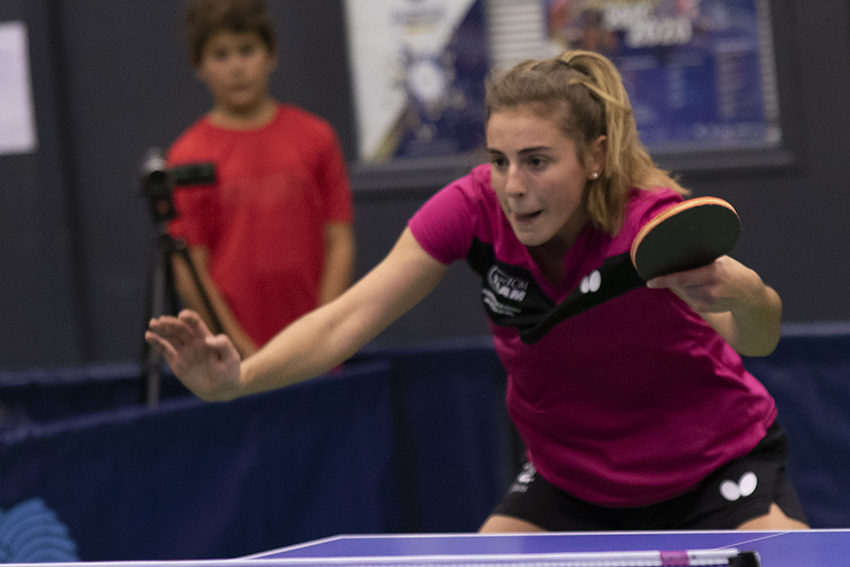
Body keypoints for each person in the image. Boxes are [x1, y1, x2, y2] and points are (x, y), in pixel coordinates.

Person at [147, 50, 809, 531]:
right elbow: (347, 318)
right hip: (569, 483)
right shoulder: (471, 211)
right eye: (499, 160)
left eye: (537, 161)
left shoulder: (650, 225)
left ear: (596, 155)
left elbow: (757, 338)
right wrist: (241, 379)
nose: (513, 185)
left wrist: (749, 294)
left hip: (713, 474)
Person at [166, 0, 355, 359]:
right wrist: (242, 351)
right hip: (235, 359)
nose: (236, 67)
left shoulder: (317, 137)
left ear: (272, 55)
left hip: (317, 351)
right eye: (220, 55)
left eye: (247, 50)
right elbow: (190, 271)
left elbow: (339, 243)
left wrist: (321, 333)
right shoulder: (188, 156)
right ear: (199, 65)